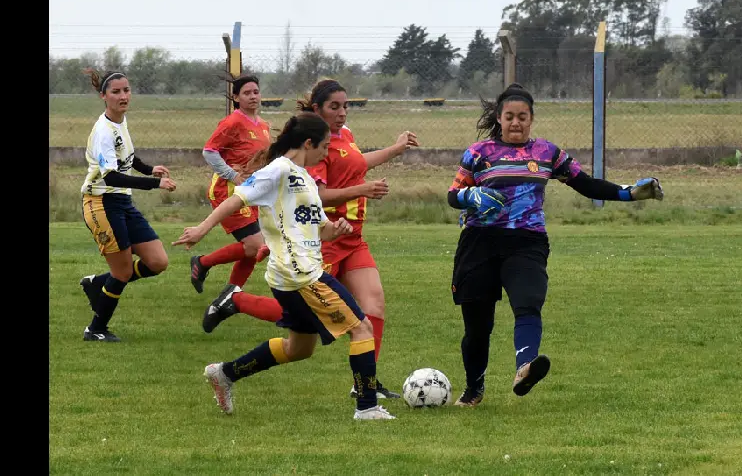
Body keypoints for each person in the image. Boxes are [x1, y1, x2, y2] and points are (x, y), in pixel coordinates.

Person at [447, 83, 664, 407]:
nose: (516, 123)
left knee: (528, 303)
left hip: (527, 242)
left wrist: (629, 192)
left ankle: (526, 367)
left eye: (523, 117)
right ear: (499, 117)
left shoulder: (547, 153)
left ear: (532, 118)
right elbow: (453, 195)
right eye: (509, 117)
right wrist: (471, 195)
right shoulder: (478, 153)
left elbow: (587, 185)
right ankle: (474, 387)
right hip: (479, 242)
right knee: (478, 329)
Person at [202, 79, 419, 399]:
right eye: (335, 107)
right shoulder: (313, 149)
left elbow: (357, 165)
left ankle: (365, 386)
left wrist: (395, 150)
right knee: (305, 326)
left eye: (346, 106)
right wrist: (362, 190)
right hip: (323, 239)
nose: (343, 113)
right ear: (316, 110)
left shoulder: (343, 137)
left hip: (352, 237)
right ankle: (236, 301)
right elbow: (314, 195)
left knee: (373, 307)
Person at [173, 113, 396, 420]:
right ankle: (367, 407)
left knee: (299, 348)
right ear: (308, 143)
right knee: (362, 328)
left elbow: (320, 228)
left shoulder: (303, 177)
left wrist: (337, 228)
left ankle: (225, 373)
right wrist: (201, 229)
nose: (327, 152)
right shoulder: (278, 170)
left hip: (290, 274)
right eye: (325, 146)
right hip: (301, 274)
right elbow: (236, 200)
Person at [78, 69, 177, 342]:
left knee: (157, 261)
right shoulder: (103, 131)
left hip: (121, 201)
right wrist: (155, 185)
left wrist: (149, 169)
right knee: (121, 272)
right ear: (103, 97)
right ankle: (95, 329)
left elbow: (127, 157)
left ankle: (97, 282)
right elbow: (110, 176)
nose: (123, 96)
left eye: (126, 90)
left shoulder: (120, 121)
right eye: (116, 92)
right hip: (101, 203)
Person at [190, 74, 283, 326]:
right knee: (255, 245)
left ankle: (230, 293)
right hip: (228, 189)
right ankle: (202, 262)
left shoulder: (263, 124)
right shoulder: (232, 122)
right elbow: (209, 151)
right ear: (236, 97)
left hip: (254, 192)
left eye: (256, 92)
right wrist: (231, 174)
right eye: (247, 93)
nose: (253, 96)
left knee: (254, 249)